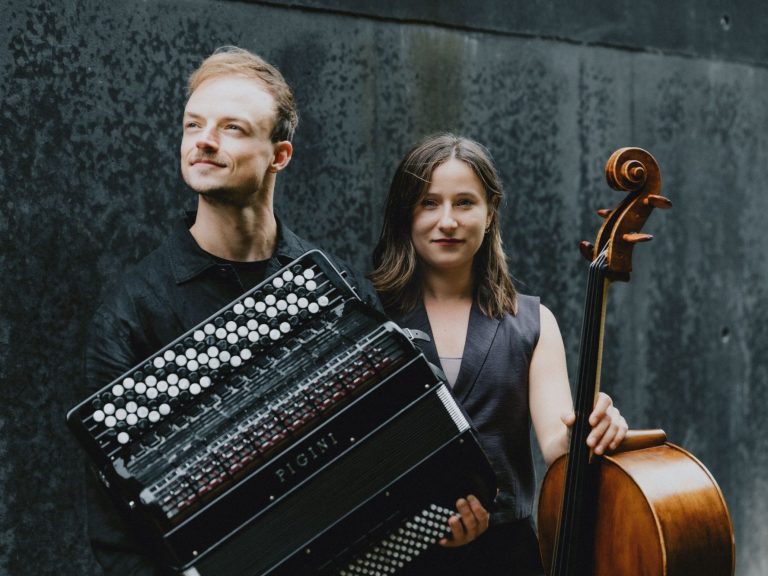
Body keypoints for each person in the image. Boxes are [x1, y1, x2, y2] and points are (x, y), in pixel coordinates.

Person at [83, 46, 377, 575]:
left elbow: (370, 442)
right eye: (193, 124)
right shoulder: (132, 311)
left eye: (233, 128)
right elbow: (116, 527)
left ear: (279, 155)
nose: (204, 140)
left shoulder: (328, 285)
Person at [369, 133, 628, 575]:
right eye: (429, 203)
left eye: (465, 203)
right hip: (393, 558)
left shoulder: (533, 322)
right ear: (405, 214)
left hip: (506, 558)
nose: (446, 221)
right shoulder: (368, 318)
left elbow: (556, 446)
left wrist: (595, 427)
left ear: (490, 212)